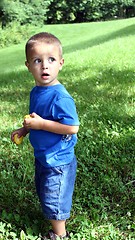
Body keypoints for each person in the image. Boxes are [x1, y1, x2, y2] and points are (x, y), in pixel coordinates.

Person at [11, 32, 79, 240]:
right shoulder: (37, 91)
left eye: (51, 60)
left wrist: (40, 123)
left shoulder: (60, 96)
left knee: (54, 198)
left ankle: (60, 235)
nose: (45, 66)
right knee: (45, 191)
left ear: (61, 63)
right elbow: (37, 118)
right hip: (44, 156)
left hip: (58, 159)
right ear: (28, 65)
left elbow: (72, 127)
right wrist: (26, 129)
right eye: (37, 61)